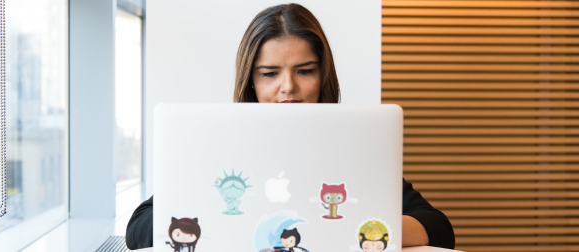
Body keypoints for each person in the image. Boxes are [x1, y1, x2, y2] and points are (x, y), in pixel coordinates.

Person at [126, 3, 455, 250]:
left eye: (305, 70)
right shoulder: (222, 142)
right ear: (251, 81)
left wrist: (355, 229)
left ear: (322, 75)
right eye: (270, 73)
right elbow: (138, 227)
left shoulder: (352, 143)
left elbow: (438, 227)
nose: (288, 87)